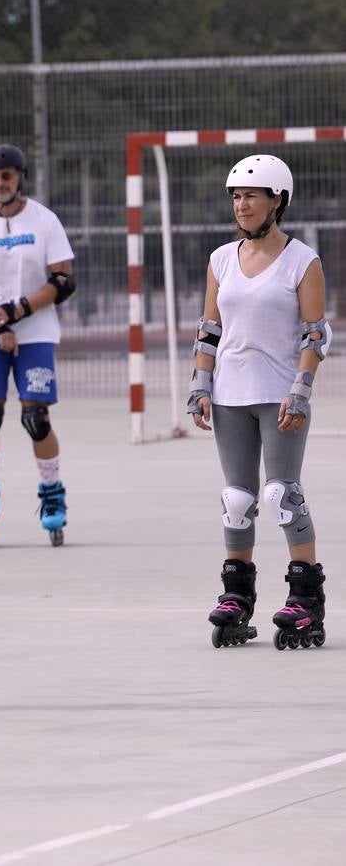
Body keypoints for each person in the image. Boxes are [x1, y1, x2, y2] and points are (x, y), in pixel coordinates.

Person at [190, 154, 329, 651]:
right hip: (230, 395)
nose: (240, 204)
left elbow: (317, 332)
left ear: (278, 201)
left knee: (281, 494)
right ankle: (236, 595)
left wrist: (302, 388)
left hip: (281, 395)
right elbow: (210, 330)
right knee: (238, 500)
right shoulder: (221, 259)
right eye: (235, 196)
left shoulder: (302, 260)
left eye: (250, 195)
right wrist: (200, 385)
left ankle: (305, 598)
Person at [0, 143, 76, 548]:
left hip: (35, 331)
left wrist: (16, 311)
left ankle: (52, 493)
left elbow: (62, 280)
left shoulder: (45, 221)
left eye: (6, 175)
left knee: (35, 418)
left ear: (20, 176)